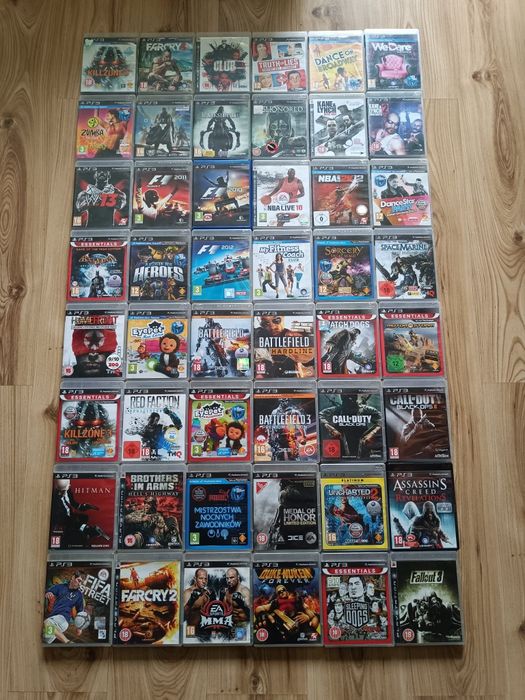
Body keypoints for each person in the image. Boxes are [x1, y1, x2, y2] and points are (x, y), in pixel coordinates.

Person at [50, 479, 110, 546]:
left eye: (69, 484)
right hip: (63, 524)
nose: (70, 485)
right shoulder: (55, 501)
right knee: (81, 538)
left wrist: (84, 506)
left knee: (84, 518)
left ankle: (86, 534)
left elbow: (74, 504)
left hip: (70, 517)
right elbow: (64, 520)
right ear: (60, 489)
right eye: (68, 484)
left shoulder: (68, 491)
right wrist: (84, 527)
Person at [43, 571, 85, 644]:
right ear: (73, 577)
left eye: (81, 582)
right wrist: (49, 593)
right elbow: (49, 591)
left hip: (63, 619)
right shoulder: (60, 587)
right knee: (46, 639)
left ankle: (67, 642)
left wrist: (80, 627)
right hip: (53, 618)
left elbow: (80, 612)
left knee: (47, 622)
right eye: (79, 580)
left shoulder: (79, 595)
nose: (79, 584)